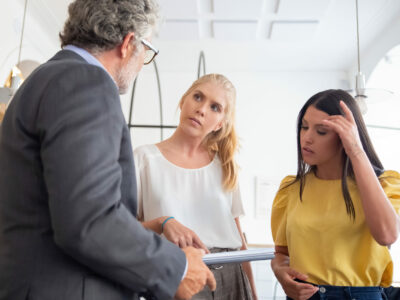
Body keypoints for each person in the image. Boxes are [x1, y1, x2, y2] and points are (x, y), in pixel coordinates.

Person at [0, 0, 216, 299]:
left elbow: (65, 208)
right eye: (147, 51)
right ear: (129, 43)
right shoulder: (86, 82)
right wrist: (176, 267)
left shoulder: (46, 78)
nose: (142, 63)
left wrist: (151, 227)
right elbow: (89, 219)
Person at [134, 73, 258, 300]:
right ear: (183, 101)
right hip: (178, 275)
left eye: (215, 107)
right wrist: (163, 223)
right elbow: (123, 229)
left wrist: (254, 294)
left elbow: (240, 244)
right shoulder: (144, 159)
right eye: (198, 97)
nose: (201, 109)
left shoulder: (226, 167)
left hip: (232, 278)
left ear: (220, 123)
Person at [270, 89, 400, 300]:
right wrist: (281, 273)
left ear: (345, 136)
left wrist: (356, 150)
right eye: (304, 127)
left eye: (321, 131)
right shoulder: (291, 189)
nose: (307, 138)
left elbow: (387, 235)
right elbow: (281, 255)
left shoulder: (385, 184)